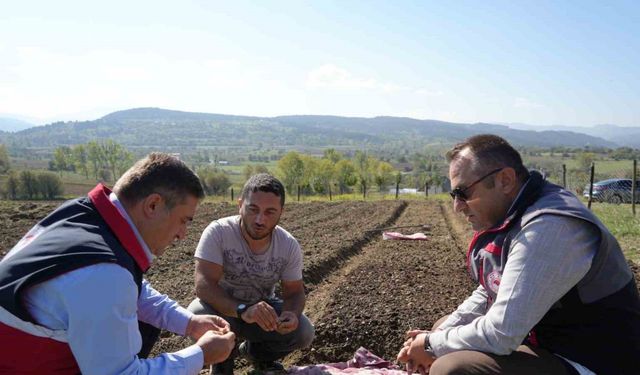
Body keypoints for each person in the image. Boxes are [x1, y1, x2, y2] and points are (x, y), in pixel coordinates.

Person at [397, 134, 640, 375]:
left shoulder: (550, 228)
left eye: (463, 192)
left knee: (452, 368)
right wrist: (436, 337)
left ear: (505, 180)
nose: (457, 206)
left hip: (592, 361)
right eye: (454, 195)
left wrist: (430, 345)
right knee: (444, 329)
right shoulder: (519, 211)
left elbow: (502, 333)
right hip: (548, 344)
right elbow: (493, 289)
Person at [0, 153, 236, 374]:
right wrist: (200, 355)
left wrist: (190, 323)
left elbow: (135, 290)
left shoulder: (83, 217)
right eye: (183, 221)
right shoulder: (105, 274)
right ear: (153, 205)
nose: (183, 234)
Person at [188, 173, 315, 374]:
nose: (259, 219)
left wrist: (291, 313)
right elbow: (204, 286)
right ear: (240, 204)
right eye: (253, 209)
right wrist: (242, 309)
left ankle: (256, 355)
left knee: (304, 331)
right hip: (223, 309)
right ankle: (222, 363)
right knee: (196, 314)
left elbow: (294, 292)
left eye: (270, 212)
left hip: (263, 315)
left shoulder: (288, 245)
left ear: (281, 212)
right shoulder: (218, 232)